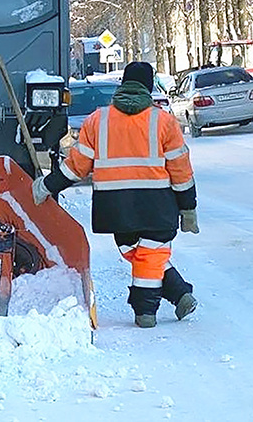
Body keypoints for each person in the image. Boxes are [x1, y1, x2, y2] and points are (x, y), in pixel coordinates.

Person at [32, 61, 199, 328]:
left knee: (142, 252)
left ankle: (180, 295)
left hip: (115, 209)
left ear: (123, 85)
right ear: (148, 86)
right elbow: (181, 170)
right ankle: (146, 313)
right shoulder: (163, 121)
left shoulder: (99, 120)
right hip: (157, 206)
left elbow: (77, 166)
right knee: (149, 254)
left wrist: (47, 185)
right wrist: (187, 208)